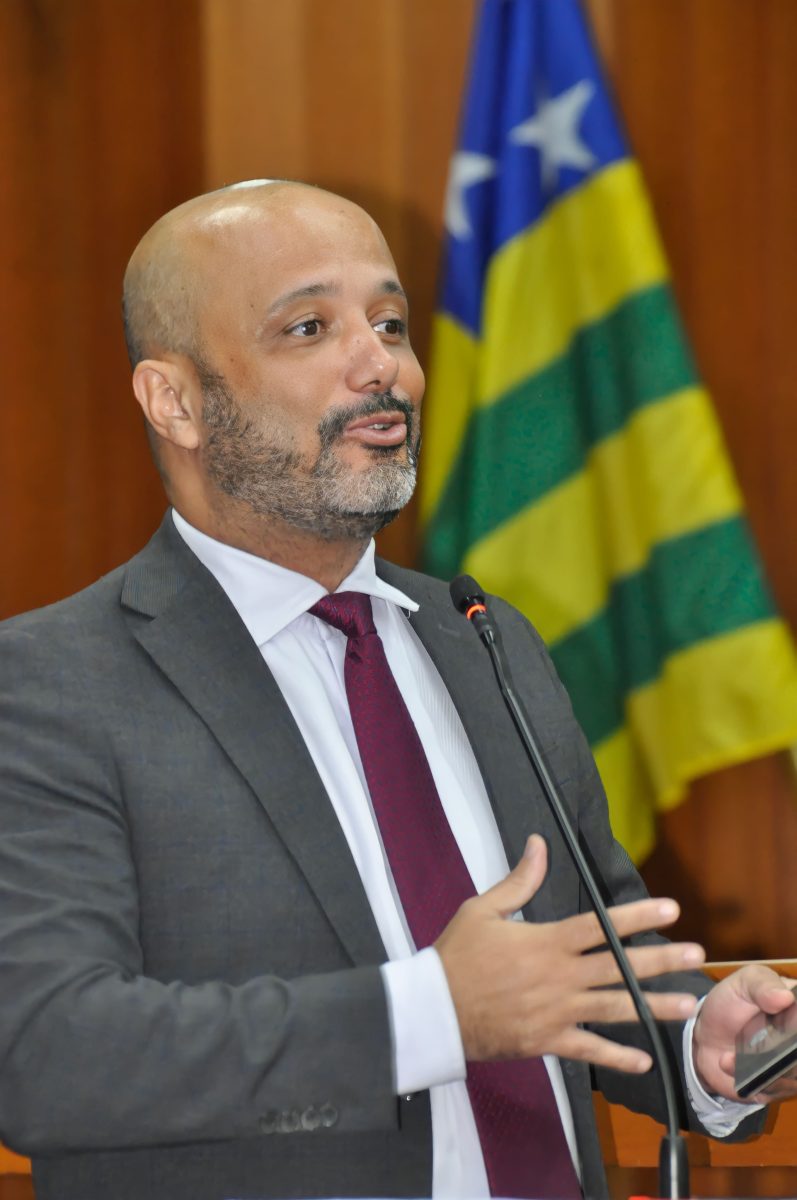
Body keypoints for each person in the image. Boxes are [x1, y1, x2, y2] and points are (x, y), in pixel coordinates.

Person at [0, 180, 791, 1200]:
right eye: (308, 328)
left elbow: (587, 951)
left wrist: (700, 1043)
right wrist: (427, 1016)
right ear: (175, 401)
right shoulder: (52, 684)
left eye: (389, 323)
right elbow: (47, 1055)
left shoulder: (482, 635)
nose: (381, 367)